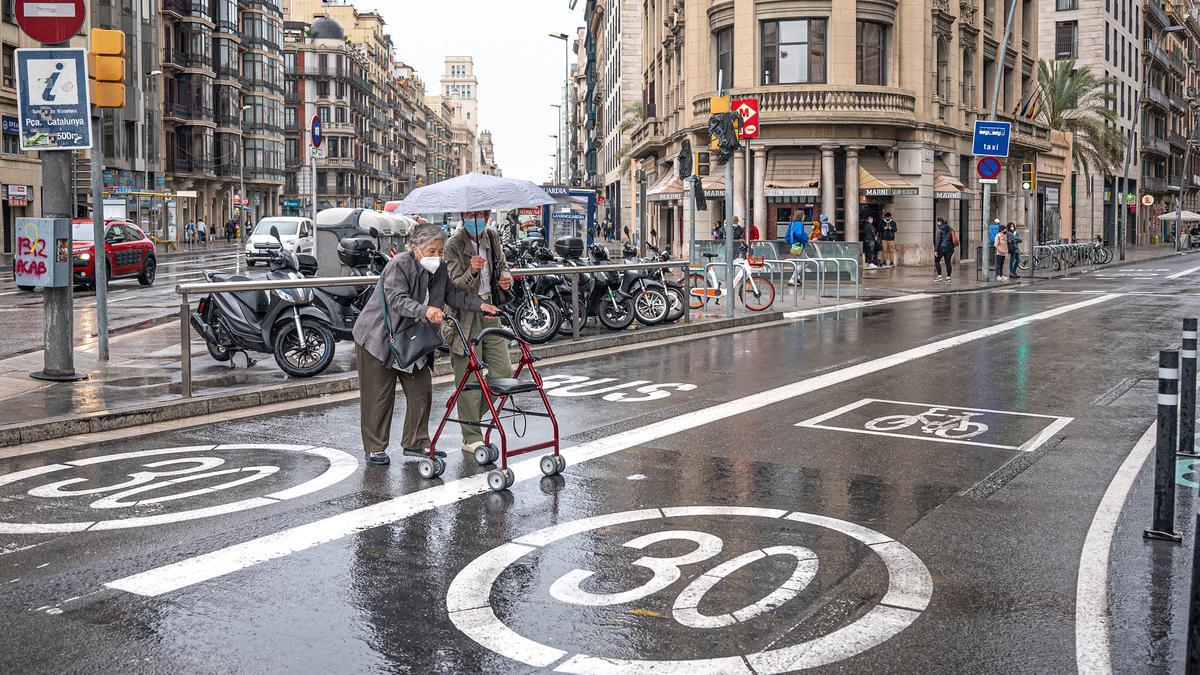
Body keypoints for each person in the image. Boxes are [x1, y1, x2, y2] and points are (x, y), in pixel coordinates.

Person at [352, 223, 500, 466]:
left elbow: (453, 295)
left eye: (440, 251)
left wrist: (479, 305)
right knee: (378, 395)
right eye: (431, 251)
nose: (437, 257)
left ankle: (416, 442)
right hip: (378, 337)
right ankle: (375, 447)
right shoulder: (399, 265)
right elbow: (397, 301)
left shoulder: (440, 268)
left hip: (415, 338)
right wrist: (425, 310)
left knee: (422, 391)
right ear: (415, 248)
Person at [444, 210, 514, 456]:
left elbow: (503, 267)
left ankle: (470, 417)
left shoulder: (492, 238)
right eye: (471, 215)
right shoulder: (453, 245)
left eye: (481, 214)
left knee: (503, 371)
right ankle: (470, 435)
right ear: (463, 216)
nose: (477, 219)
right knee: (467, 376)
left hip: (490, 309)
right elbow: (453, 287)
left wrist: (507, 278)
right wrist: (471, 271)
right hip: (464, 315)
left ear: (486, 215)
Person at [785, 215, 810, 286]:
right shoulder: (799, 224)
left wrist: (791, 242)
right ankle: (793, 279)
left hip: (795, 245)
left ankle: (797, 277)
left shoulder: (792, 223)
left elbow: (787, 236)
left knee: (806, 261)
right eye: (803, 215)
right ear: (801, 216)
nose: (804, 217)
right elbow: (799, 235)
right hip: (799, 246)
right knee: (801, 263)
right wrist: (805, 238)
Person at [933, 217, 954, 282]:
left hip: (942, 248)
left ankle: (939, 276)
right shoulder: (950, 228)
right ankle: (948, 278)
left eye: (937, 222)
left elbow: (938, 240)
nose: (937, 223)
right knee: (948, 263)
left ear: (939, 222)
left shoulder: (939, 229)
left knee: (936, 261)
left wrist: (936, 250)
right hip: (950, 248)